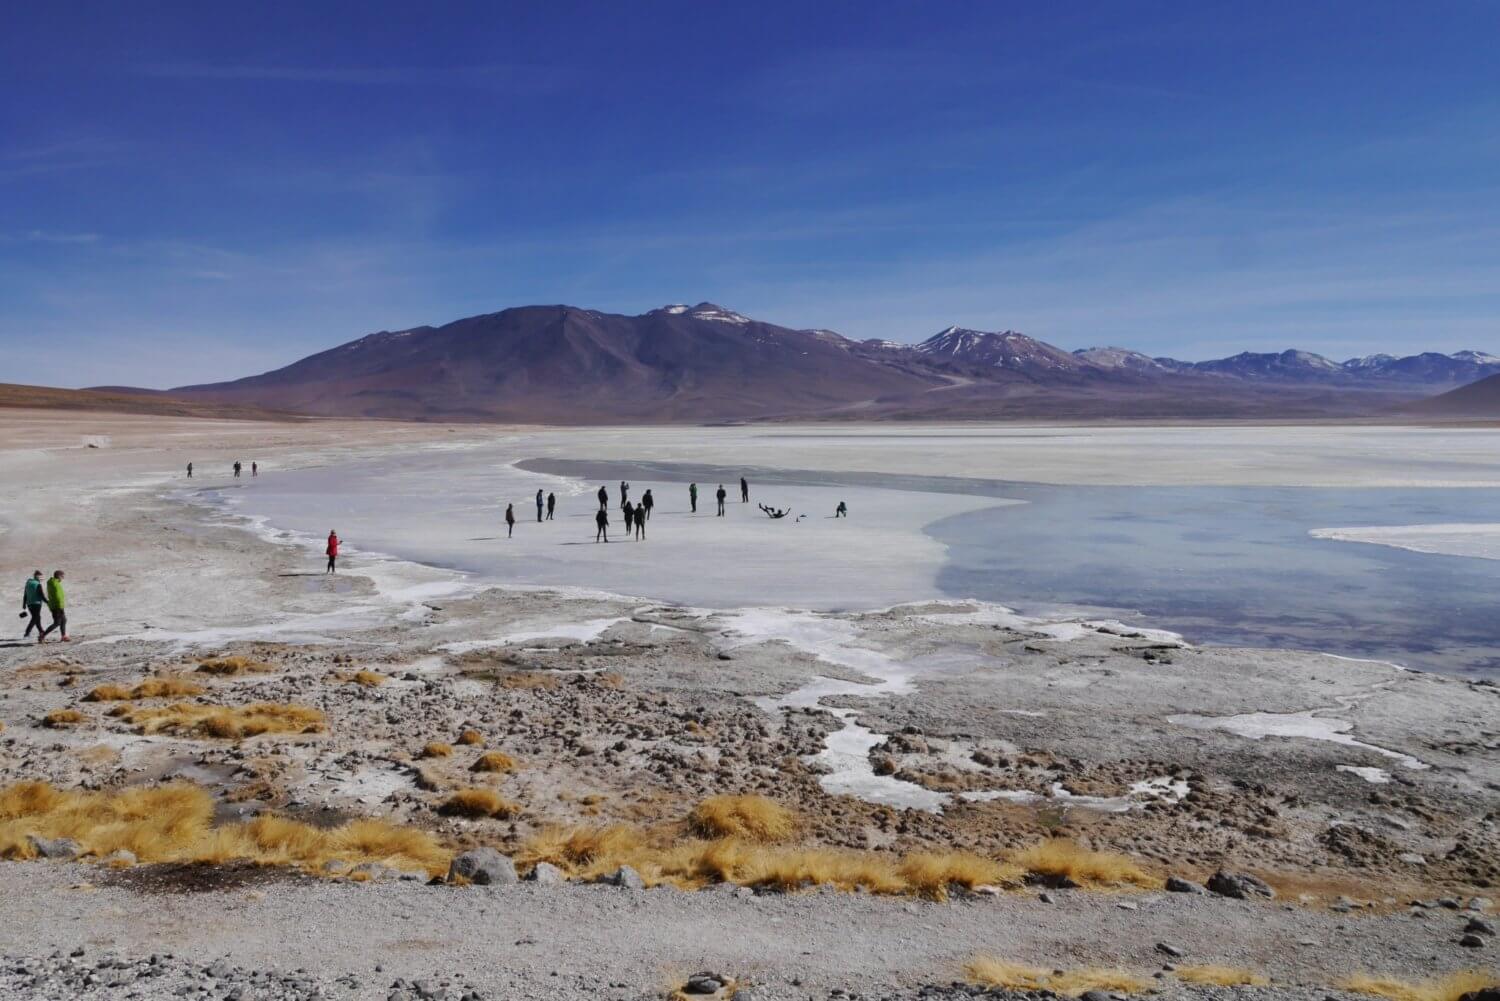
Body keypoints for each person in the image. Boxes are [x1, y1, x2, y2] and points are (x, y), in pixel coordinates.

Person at [38, 570, 67, 642]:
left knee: (64, 620)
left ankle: (63, 636)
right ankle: (42, 635)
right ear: (59, 576)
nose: (63, 578)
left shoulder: (53, 582)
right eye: (62, 576)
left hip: (56, 605)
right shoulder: (55, 584)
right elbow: (58, 596)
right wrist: (60, 605)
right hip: (57, 606)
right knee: (57, 623)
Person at [21, 570, 45, 641]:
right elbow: (41, 595)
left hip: (29, 604)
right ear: (37, 576)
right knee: (35, 618)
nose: (42, 579)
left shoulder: (28, 583)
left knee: (37, 617)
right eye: (41, 577)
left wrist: (24, 604)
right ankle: (27, 633)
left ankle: (41, 631)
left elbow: (25, 594)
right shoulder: (38, 584)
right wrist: (47, 601)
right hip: (37, 603)